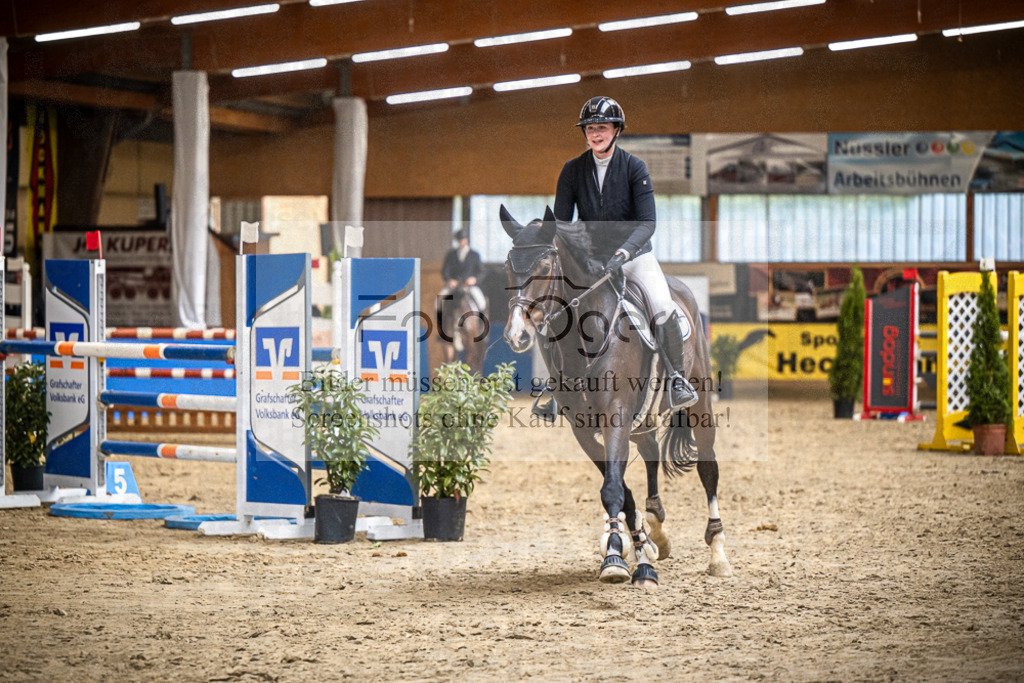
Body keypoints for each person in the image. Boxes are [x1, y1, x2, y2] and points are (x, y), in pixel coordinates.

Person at [553, 96, 698, 409]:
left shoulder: (635, 168)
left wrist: (623, 252)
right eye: (590, 128)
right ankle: (560, 386)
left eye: (602, 127)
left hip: (634, 257)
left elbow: (648, 223)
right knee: (558, 307)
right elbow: (561, 225)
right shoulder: (572, 171)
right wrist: (578, 255)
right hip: (591, 262)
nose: (595, 133)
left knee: (661, 303)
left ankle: (677, 379)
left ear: (616, 130)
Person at [438, 228, 486, 314]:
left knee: (481, 303)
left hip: (469, 286)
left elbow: (481, 271)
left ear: (466, 240)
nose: (461, 242)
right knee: (439, 301)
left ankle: (481, 324)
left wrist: (474, 279)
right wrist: (449, 280)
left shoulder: (474, 255)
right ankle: (440, 324)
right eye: (459, 240)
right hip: (454, 285)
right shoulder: (451, 255)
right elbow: (445, 271)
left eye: (463, 239)